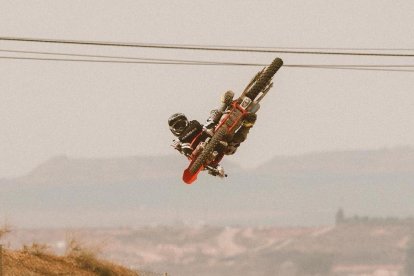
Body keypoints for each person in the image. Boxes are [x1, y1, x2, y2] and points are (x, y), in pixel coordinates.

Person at [168, 91, 257, 158]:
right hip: (217, 150)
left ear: (186, 121)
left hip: (211, 132)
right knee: (232, 146)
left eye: (182, 124)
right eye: (177, 126)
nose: (181, 127)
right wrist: (179, 146)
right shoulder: (181, 142)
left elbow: (208, 124)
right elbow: (189, 155)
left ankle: (225, 103)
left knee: (211, 119)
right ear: (173, 130)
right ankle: (247, 125)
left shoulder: (193, 125)